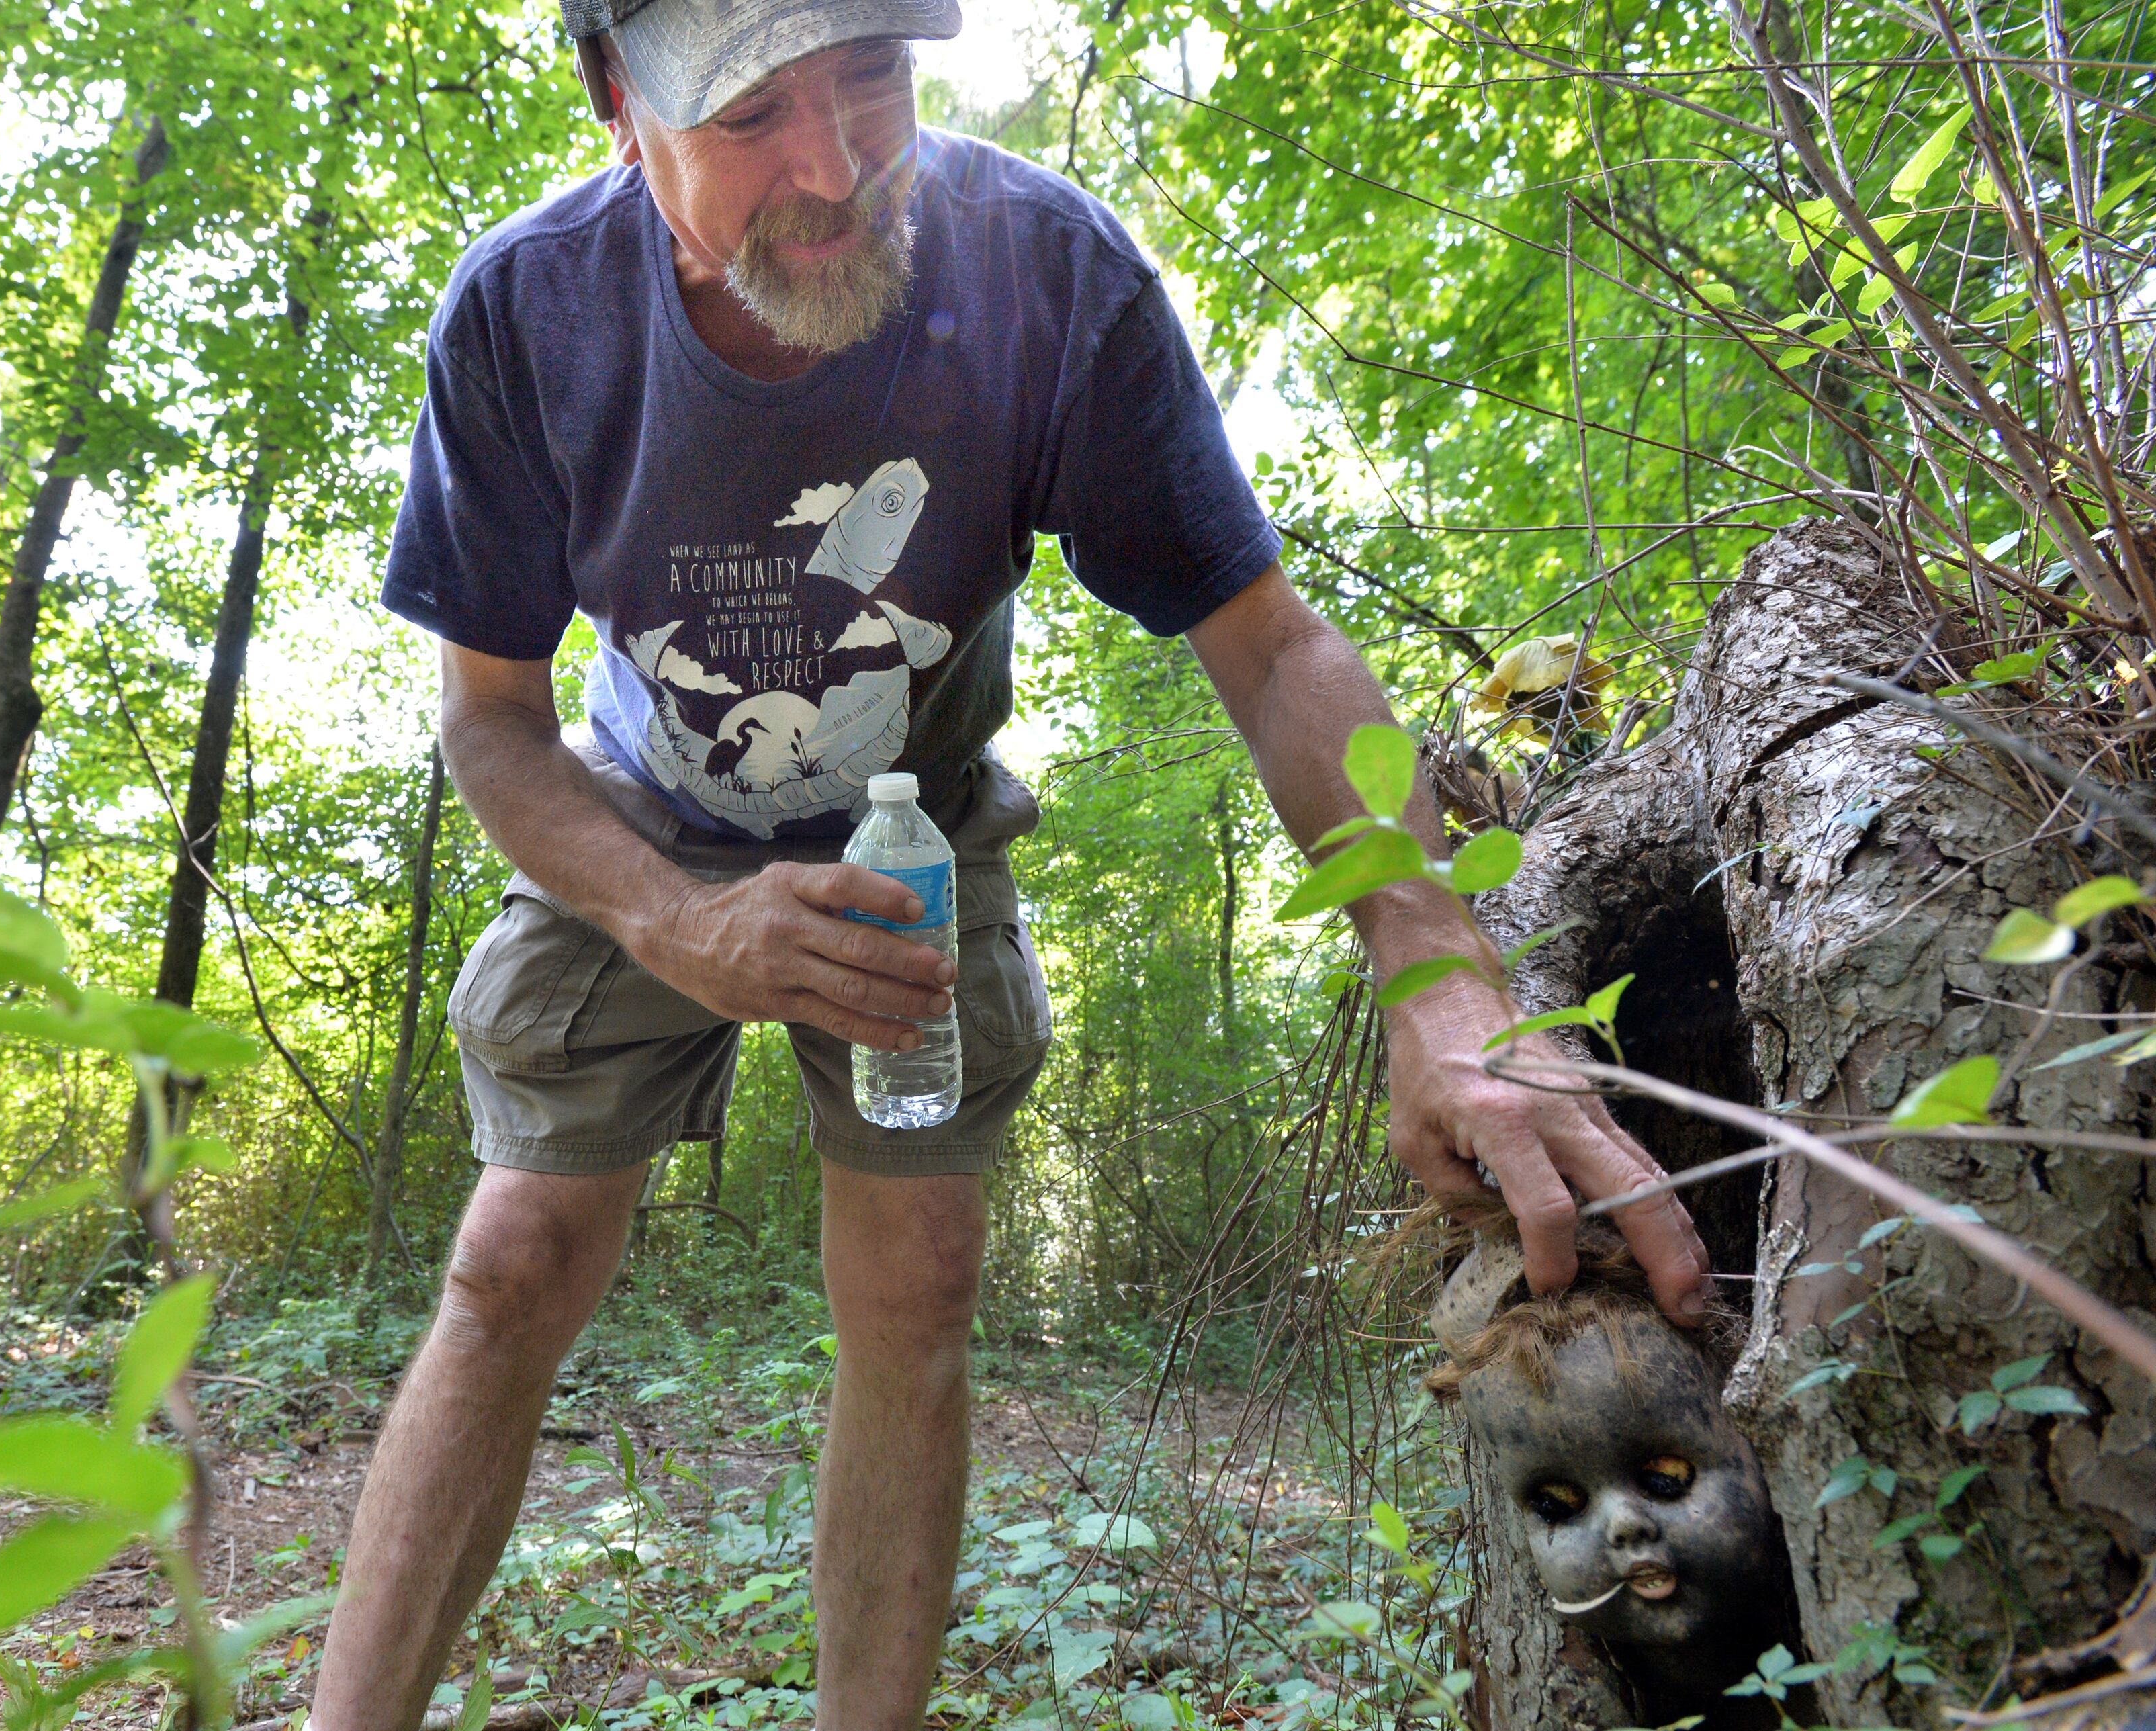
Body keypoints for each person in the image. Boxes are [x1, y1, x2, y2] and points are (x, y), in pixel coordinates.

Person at [311, 1, 1712, 1725]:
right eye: (752, 113)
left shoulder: (1044, 271)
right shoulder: (527, 314)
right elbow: (496, 727)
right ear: (620, 104)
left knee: (920, 1277)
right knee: (514, 1254)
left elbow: (1269, 650)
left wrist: (1448, 989)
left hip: (917, 815)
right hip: (638, 817)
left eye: (873, 78)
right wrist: (680, 921)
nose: (834, 167)